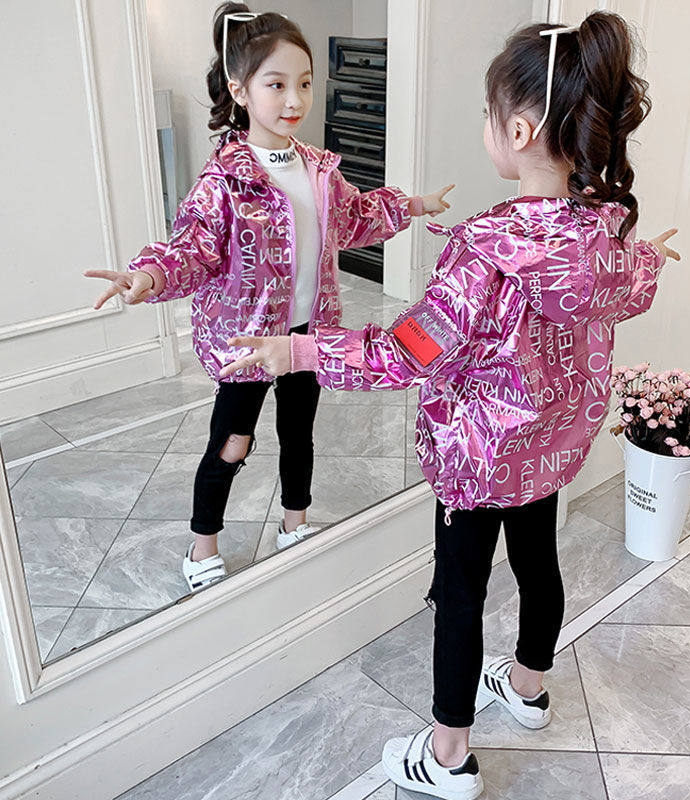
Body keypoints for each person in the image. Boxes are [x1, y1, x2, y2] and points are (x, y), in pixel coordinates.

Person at [219, 11, 679, 800]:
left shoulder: (486, 249)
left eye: (488, 116)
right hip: (550, 448)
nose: (487, 129)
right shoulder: (605, 239)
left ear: (520, 130)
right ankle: (528, 690)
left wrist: (299, 351)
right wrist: (652, 256)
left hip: (479, 458)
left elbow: (407, 352)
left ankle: (449, 756)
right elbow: (635, 279)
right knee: (538, 562)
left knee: (461, 593)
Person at [85, 3, 453, 593]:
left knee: (300, 432)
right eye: (276, 85)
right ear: (240, 90)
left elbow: (352, 218)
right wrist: (147, 277)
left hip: (309, 334)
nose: (294, 100)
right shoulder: (224, 180)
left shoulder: (319, 168)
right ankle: (203, 542)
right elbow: (192, 249)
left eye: (304, 84)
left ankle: (294, 523)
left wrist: (410, 206)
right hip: (248, 340)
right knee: (232, 442)